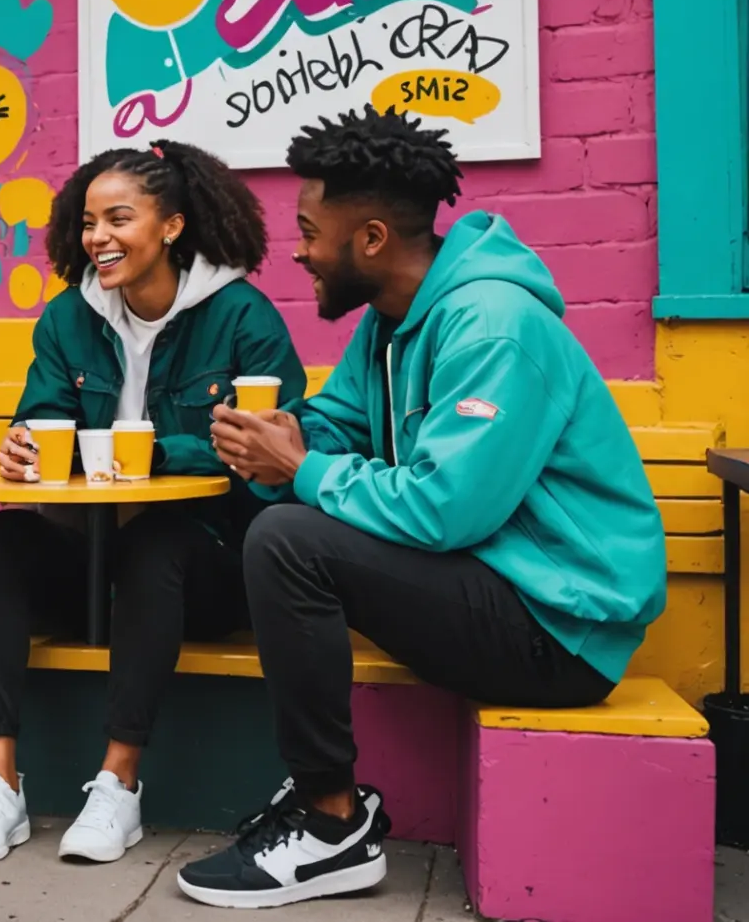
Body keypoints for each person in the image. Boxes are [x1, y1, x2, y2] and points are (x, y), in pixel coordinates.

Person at [183, 106, 666, 909]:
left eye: (308, 229)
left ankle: (331, 824)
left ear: (370, 238)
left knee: (288, 540)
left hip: (560, 627)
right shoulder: (392, 321)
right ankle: (324, 798)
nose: (296, 248)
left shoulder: (493, 325)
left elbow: (446, 510)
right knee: (280, 524)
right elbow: (337, 423)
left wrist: (298, 471)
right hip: (494, 585)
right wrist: (278, 439)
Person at [0, 141, 305, 864]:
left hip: (205, 558)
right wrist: (20, 449)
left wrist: (162, 452)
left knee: (156, 543)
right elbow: (41, 413)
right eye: (87, 222)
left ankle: (117, 783)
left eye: (118, 219)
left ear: (171, 226)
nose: (97, 238)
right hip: (89, 554)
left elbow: (277, 451)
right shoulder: (68, 318)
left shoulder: (240, 316)